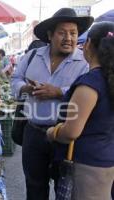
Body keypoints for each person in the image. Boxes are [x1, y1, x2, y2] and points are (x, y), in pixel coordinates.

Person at [11, 8, 93, 200]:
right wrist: (26, 89)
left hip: (64, 136)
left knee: (63, 189)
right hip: (33, 132)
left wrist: (58, 92)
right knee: (34, 186)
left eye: (73, 33)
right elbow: (15, 80)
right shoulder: (32, 57)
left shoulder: (84, 62)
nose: (68, 38)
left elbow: (88, 91)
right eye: (62, 32)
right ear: (50, 35)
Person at [47, 21, 114, 200]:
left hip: (87, 166)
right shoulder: (107, 79)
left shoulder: (90, 84)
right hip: (106, 160)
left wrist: (52, 132)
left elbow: (72, 131)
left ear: (89, 45)